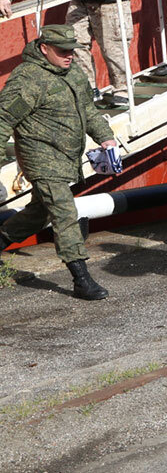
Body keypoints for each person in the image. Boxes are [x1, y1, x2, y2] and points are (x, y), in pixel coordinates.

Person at [0, 25, 119, 300]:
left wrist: (105, 137)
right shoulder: (28, 79)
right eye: (62, 51)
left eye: (72, 51)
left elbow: (88, 109)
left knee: (40, 212)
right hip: (39, 155)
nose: (69, 56)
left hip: (66, 155)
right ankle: (81, 279)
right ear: (44, 48)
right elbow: (4, 118)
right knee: (64, 212)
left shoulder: (73, 72)